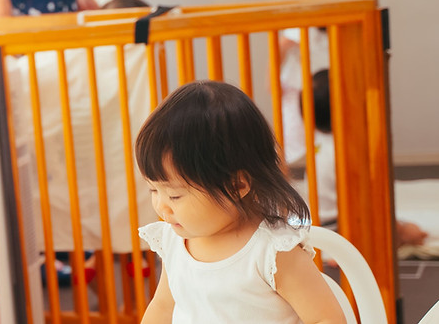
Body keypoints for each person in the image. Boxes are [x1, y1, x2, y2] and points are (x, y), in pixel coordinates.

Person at [136, 81, 346, 323]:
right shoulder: (174, 242)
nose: (162, 206)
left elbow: (326, 319)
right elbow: (162, 308)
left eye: (175, 196)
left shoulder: (272, 252)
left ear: (237, 186)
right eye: (154, 190)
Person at [300, 69, 428, 246]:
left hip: (317, 225)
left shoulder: (319, 142)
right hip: (342, 227)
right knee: (413, 232)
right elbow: (365, 204)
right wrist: (401, 230)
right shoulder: (346, 151)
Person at [279, 0, 367, 165]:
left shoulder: (348, 23)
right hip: (301, 95)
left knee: (332, 150)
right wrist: (273, 82)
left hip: (329, 97)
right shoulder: (305, 23)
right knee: (295, 148)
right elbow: (280, 46)